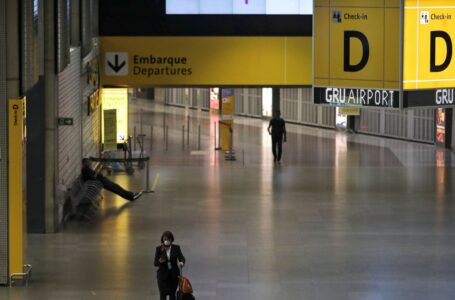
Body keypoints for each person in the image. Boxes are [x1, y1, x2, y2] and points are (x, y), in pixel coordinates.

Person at [154, 231, 186, 300]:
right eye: (165, 239)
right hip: (162, 276)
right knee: (162, 294)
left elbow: (181, 258)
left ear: (171, 239)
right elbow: (155, 263)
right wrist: (160, 261)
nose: (166, 241)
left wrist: (181, 262)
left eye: (168, 239)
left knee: (172, 294)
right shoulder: (159, 249)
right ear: (162, 240)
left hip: (173, 275)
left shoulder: (176, 248)